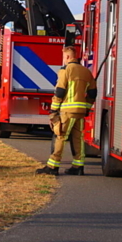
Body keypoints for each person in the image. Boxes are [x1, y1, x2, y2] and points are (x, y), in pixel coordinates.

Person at [36, 47, 96, 175]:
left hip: (67, 111)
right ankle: (78, 166)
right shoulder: (86, 72)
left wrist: (53, 110)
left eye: (64, 57)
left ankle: (52, 167)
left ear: (68, 57)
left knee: (60, 136)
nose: (63, 60)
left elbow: (60, 91)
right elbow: (93, 93)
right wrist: (87, 107)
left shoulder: (65, 71)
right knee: (78, 138)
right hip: (80, 111)